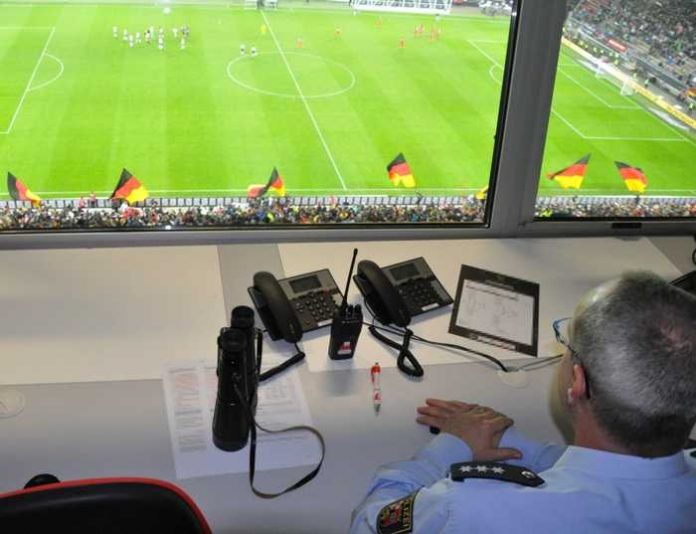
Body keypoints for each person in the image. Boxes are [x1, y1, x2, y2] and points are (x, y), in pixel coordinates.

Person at [350, 272, 696, 533]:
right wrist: (514, 446)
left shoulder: (468, 508)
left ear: (577, 383)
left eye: (566, 344)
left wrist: (450, 446)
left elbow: (368, 524)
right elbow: (616, 479)